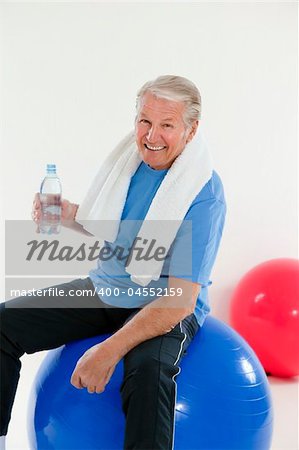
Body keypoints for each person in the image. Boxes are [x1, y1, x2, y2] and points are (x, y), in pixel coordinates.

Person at [0, 75, 226, 450]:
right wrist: (65, 214)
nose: (152, 136)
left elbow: (180, 300)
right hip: (109, 286)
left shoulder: (204, 190)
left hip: (163, 302)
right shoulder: (127, 165)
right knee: (3, 324)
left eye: (167, 125)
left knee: (149, 372)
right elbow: (110, 229)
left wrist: (109, 350)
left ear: (191, 129)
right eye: (145, 121)